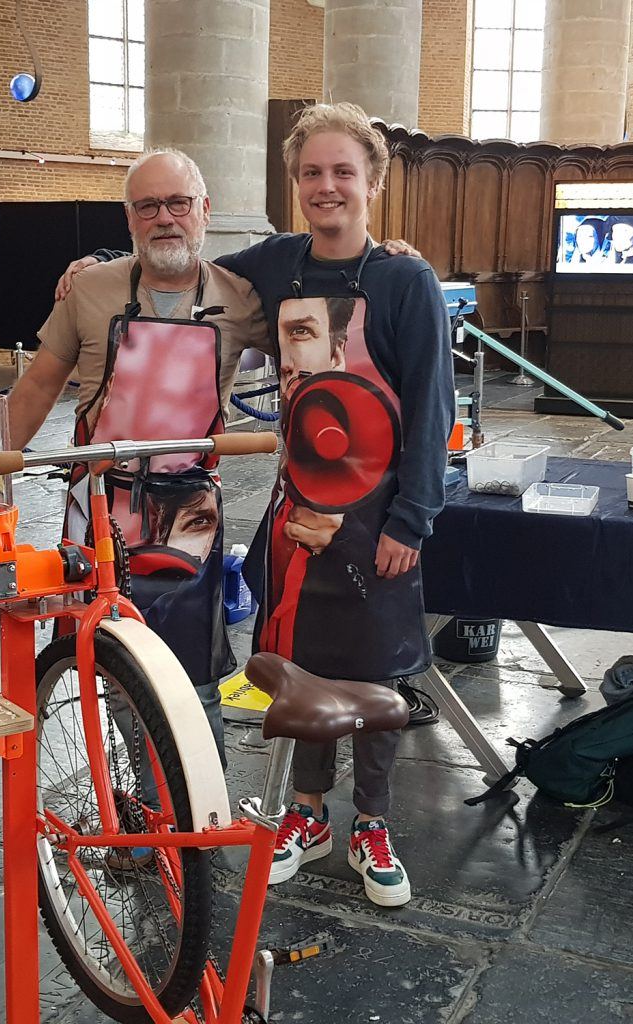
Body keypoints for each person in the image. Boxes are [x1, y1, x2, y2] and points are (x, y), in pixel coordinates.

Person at [212, 103, 454, 909]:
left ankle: (373, 821)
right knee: (302, 664)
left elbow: (428, 406)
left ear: (372, 183)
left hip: (380, 513)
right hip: (298, 514)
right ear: (295, 183)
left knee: (377, 670)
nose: (326, 186)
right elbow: (186, 269)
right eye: (312, 173)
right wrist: (105, 261)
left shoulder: (404, 278)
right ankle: (309, 814)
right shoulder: (278, 264)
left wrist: (410, 520)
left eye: (342, 172)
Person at [8, 149, 271, 767]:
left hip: (191, 516)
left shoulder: (242, 300)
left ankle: (198, 808)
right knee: (110, 658)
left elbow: (313, 336)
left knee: (195, 674)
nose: (165, 218)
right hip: (100, 506)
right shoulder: (91, 291)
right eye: (148, 206)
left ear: (203, 211)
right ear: (129, 219)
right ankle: (145, 803)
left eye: (178, 203)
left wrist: (386, 258)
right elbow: (39, 386)